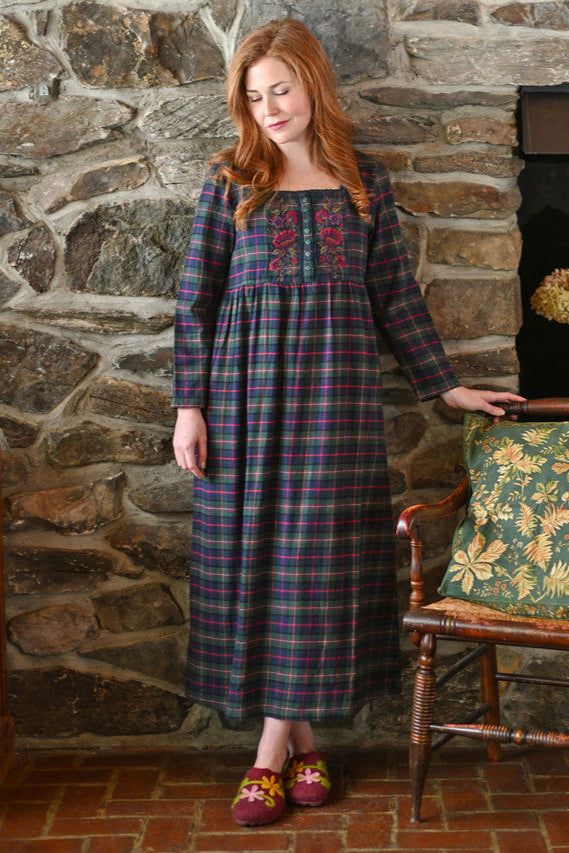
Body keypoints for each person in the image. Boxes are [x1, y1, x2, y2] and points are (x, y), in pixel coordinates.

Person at [172, 18, 524, 827]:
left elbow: (395, 297)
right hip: (241, 403)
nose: (268, 108)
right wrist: (188, 407)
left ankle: (266, 754)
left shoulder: (364, 182)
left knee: (314, 570)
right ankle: (292, 745)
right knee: (251, 565)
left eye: (281, 90)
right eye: (254, 96)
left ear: (312, 85)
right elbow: (194, 302)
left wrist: (445, 388)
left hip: (334, 407)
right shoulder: (229, 179)